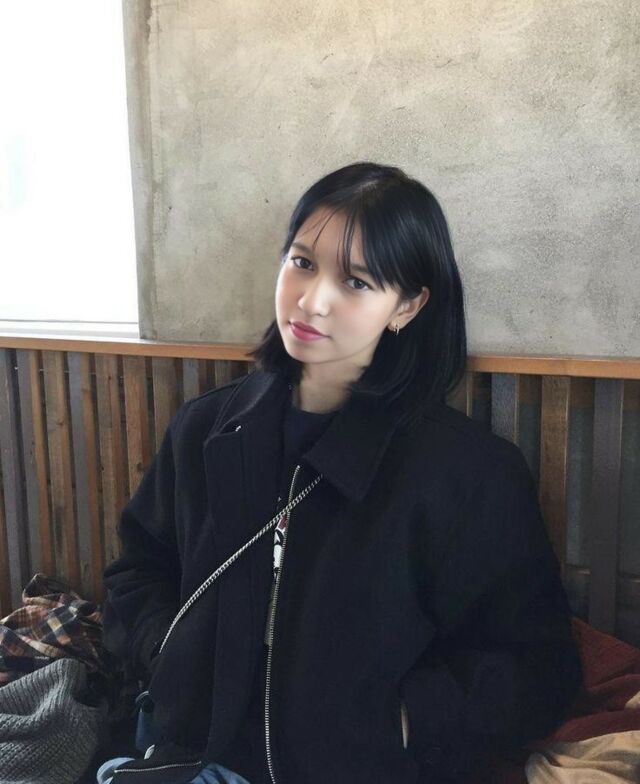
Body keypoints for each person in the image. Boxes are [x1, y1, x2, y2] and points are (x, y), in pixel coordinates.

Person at [100, 162, 583, 784]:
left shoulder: (467, 473)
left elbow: (536, 665)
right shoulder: (205, 430)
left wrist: (403, 720)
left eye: (356, 281)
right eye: (302, 262)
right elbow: (137, 571)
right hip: (188, 753)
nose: (312, 300)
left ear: (407, 305)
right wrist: (169, 654)